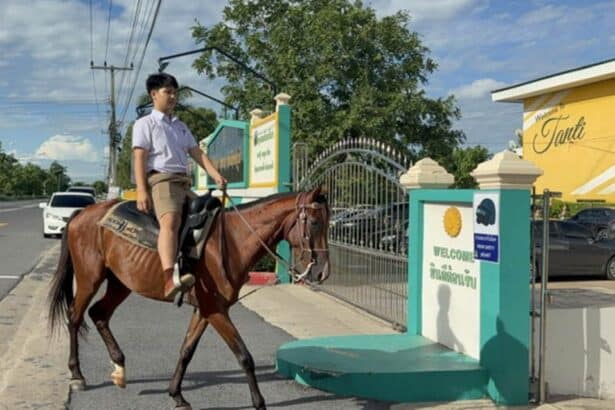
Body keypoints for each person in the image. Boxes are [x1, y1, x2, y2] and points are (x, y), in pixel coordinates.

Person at [132, 73, 227, 300]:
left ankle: (195, 270)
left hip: (183, 183)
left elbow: (197, 153)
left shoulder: (180, 126)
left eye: (175, 92)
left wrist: (216, 175)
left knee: (210, 216)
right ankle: (168, 279)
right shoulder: (145, 123)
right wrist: (142, 190)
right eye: (168, 92)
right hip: (161, 180)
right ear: (154, 95)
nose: (173, 96)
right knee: (171, 220)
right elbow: (139, 158)